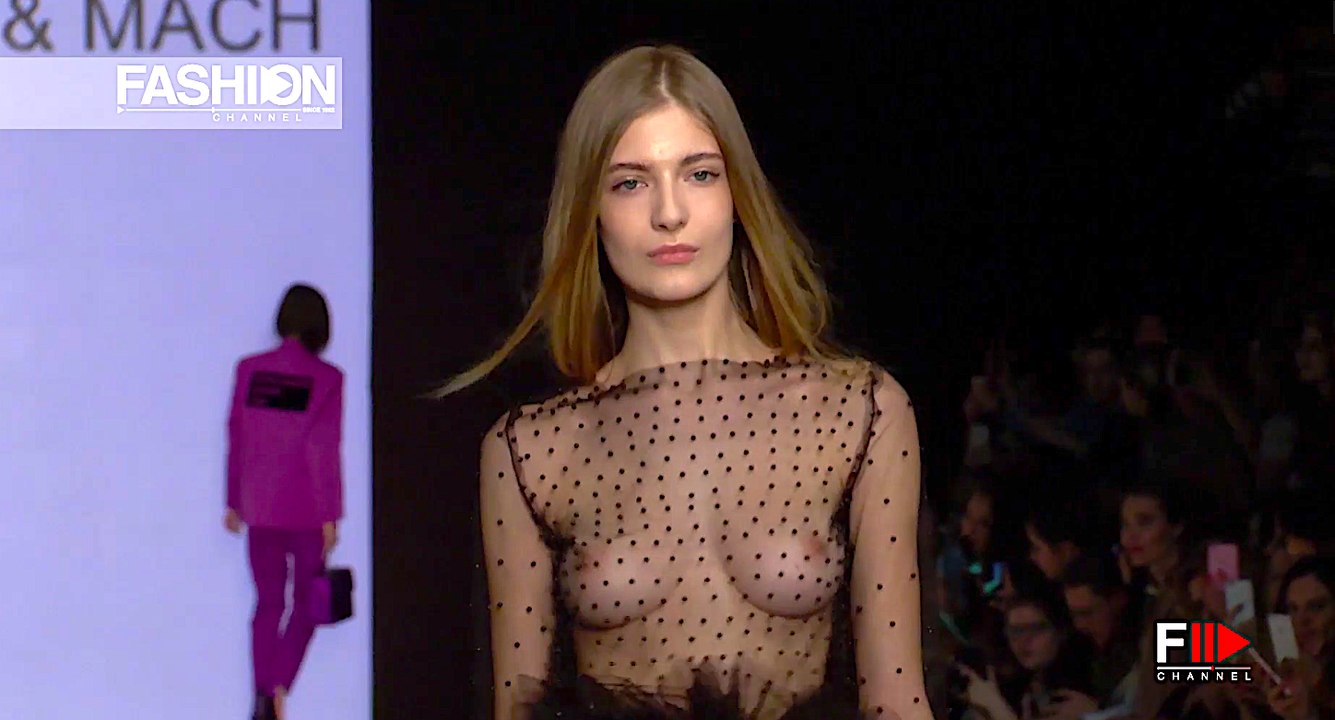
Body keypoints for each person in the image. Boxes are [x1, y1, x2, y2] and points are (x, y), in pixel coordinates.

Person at [438, 45, 931, 720]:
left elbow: (897, 703)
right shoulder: (531, 451)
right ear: (590, 209)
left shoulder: (857, 411)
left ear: (737, 195)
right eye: (629, 183)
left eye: (698, 174)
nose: (669, 213)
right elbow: (515, 709)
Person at [224, 284, 345, 720]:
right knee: (308, 601)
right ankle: (278, 687)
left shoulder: (251, 370)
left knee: (268, 603)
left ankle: (263, 695)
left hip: (260, 504)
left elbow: (238, 435)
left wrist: (234, 500)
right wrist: (331, 513)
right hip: (306, 507)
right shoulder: (328, 379)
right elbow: (322, 448)